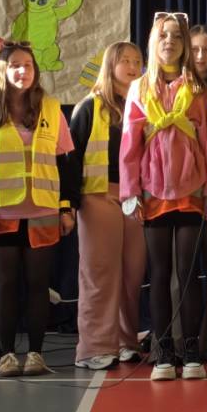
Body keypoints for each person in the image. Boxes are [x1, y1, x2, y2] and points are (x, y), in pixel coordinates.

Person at [0, 41, 76, 377]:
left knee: (38, 283)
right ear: (2, 70)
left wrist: (66, 208)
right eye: (14, 65)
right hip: (1, 214)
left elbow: (65, 163)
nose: (22, 71)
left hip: (43, 210)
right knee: (6, 283)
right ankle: (7, 355)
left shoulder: (51, 108)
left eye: (28, 65)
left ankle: (36, 354)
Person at [120, 12, 207, 381]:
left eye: (176, 36)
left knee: (187, 272)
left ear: (185, 44)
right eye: (163, 36)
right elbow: (129, 144)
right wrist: (130, 191)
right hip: (153, 190)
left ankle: (191, 350)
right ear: (153, 43)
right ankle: (163, 352)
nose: (169, 41)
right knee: (159, 273)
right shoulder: (139, 88)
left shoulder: (198, 89)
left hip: (191, 190)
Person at [68, 42, 147, 370]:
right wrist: (68, 205)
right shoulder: (89, 106)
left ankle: (126, 341)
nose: (132, 66)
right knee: (100, 273)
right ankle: (94, 347)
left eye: (137, 61)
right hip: (97, 196)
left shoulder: (146, 105)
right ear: (110, 66)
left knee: (132, 274)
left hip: (135, 199)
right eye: (124, 60)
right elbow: (71, 158)